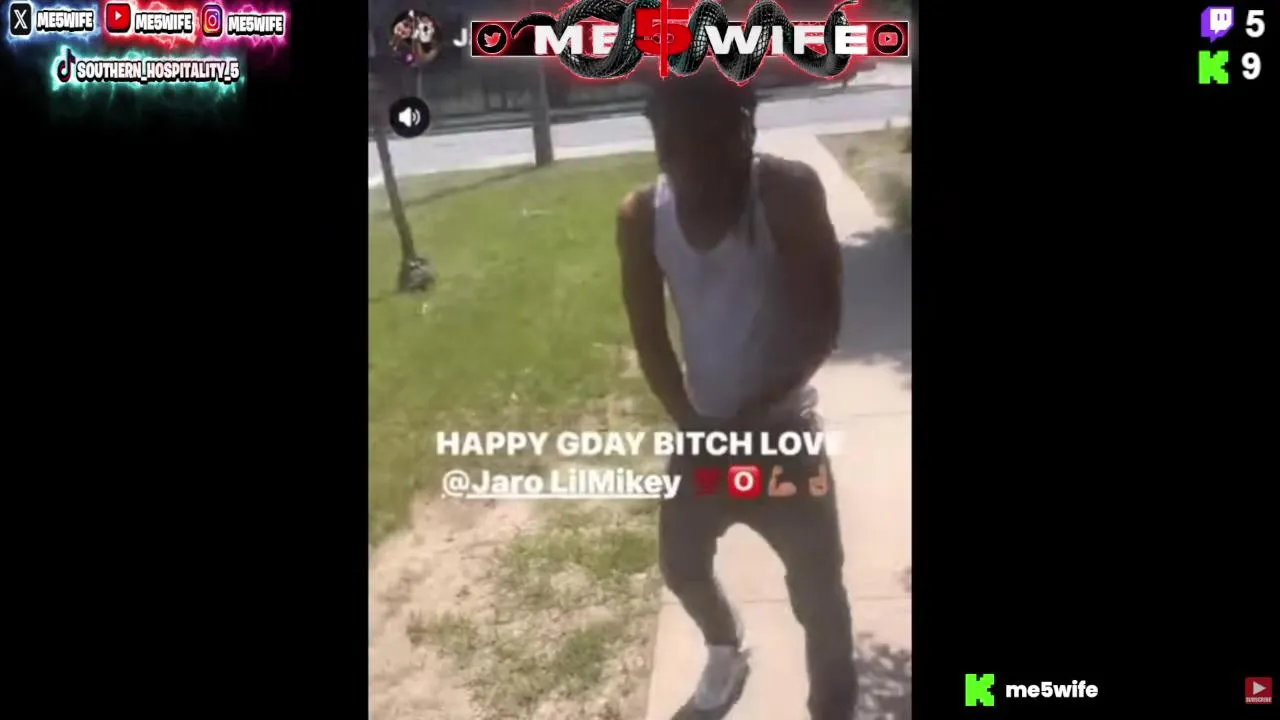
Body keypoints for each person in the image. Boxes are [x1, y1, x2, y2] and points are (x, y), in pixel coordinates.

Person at [615, 74, 855, 718]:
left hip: (786, 436)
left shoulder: (787, 192)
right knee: (682, 564)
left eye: (710, 141)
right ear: (658, 142)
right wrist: (694, 424)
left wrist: (753, 419)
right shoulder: (641, 217)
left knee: (818, 590)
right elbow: (650, 340)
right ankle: (727, 647)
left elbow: (822, 324)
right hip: (703, 433)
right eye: (675, 144)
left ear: (744, 133)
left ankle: (833, 706)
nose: (693, 164)